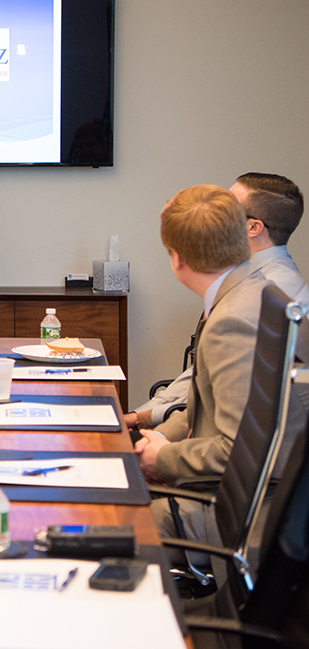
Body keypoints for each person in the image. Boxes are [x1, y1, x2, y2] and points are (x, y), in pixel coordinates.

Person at [134, 185, 270, 542]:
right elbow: (204, 405)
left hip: (236, 512)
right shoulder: (245, 291)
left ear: (177, 259)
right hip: (229, 490)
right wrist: (161, 438)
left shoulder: (234, 321)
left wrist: (163, 459)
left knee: (110, 517)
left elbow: (235, 448)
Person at [125, 172, 307, 430]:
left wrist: (143, 421)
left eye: (229, 207)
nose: (215, 209)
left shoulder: (267, 293)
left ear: (253, 227)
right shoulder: (247, 277)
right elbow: (205, 376)